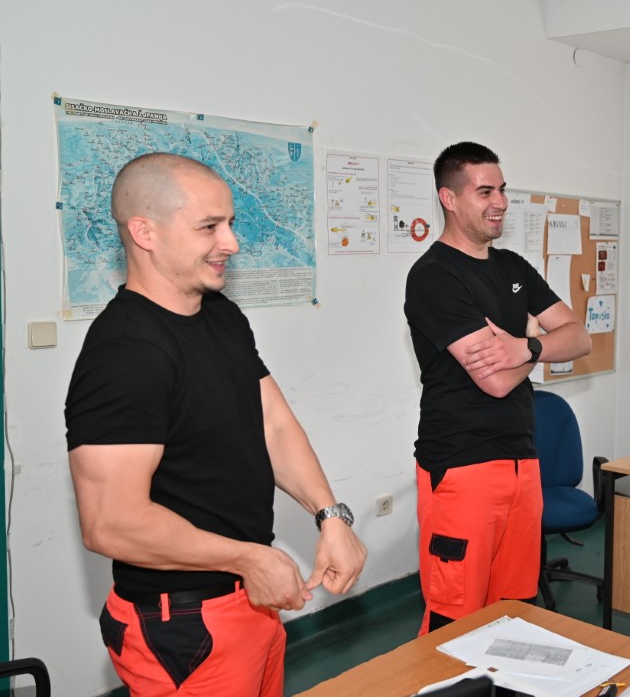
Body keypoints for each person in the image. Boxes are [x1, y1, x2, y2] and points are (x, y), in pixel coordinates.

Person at [65, 153, 367, 697]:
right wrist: (248, 556)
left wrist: (331, 516)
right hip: (184, 626)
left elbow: (273, 423)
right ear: (144, 232)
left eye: (230, 223)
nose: (231, 242)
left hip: (249, 600)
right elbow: (109, 523)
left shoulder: (220, 314)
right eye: (209, 227)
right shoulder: (124, 352)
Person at [404, 141, 591, 634]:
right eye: (485, 191)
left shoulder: (513, 267)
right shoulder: (433, 277)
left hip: (522, 464)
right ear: (449, 198)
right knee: (455, 616)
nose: (501, 202)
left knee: (515, 611)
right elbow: (495, 382)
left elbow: (580, 337)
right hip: (462, 468)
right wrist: (535, 347)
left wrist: (525, 346)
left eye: (502, 190)